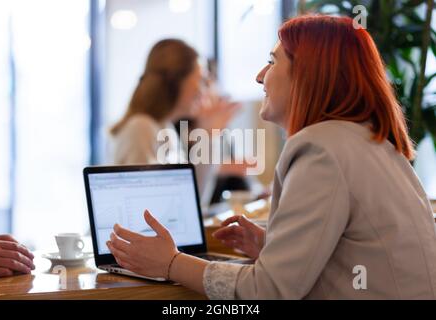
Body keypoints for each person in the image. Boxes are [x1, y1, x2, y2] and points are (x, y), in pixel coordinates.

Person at [106, 15, 436, 299]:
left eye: (273, 60)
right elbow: (354, 256)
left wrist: (171, 263)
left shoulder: (320, 148)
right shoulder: (366, 139)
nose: (260, 76)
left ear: (308, 75)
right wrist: (271, 245)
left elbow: (269, 291)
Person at [109, 39, 240, 206]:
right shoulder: (141, 127)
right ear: (176, 80)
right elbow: (150, 208)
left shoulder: (165, 128)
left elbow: (193, 200)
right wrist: (206, 136)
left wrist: (207, 136)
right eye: (200, 80)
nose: (204, 90)